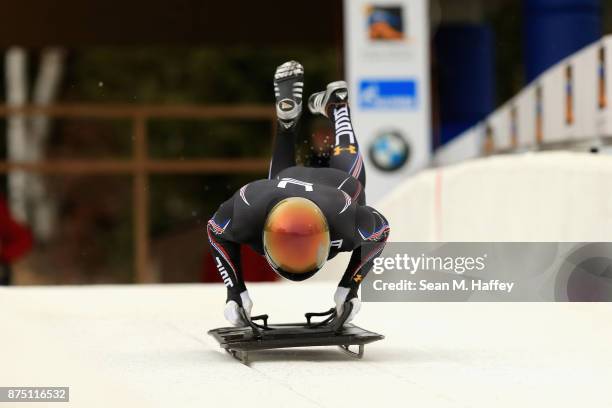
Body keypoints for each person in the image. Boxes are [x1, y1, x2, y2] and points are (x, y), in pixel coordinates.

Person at [207, 61, 390, 326]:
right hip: (306, 185)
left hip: (325, 186)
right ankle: (333, 109)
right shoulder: (252, 211)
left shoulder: (250, 209)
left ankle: (314, 115)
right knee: (291, 179)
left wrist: (235, 293)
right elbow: (380, 231)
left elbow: (215, 231)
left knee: (300, 180)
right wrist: (349, 288)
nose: (296, 261)